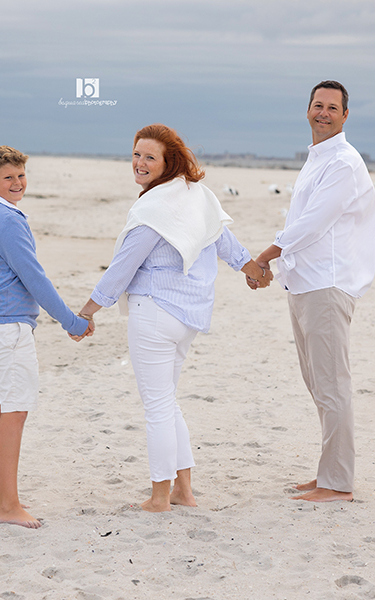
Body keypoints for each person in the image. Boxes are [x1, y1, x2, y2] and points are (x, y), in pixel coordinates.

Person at [77, 124, 272, 512]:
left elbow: (122, 268)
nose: (140, 163)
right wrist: (251, 269)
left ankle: (159, 497)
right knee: (167, 402)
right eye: (136, 154)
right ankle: (183, 490)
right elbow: (223, 239)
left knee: (157, 407)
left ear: (168, 162)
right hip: (187, 317)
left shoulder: (154, 209)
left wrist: (87, 311)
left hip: (155, 313)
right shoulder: (196, 194)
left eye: (150, 157)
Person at [0, 146, 92, 528]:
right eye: (8, 178)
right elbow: (34, 278)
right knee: (14, 411)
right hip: (8, 327)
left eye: (21, 176)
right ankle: (8, 506)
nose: (17, 183)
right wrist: (71, 322)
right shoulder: (9, 221)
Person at [251, 81, 375, 502]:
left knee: (332, 384)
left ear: (345, 116)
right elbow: (303, 222)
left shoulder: (344, 162)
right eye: (318, 105)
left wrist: (264, 257)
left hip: (328, 284)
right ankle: (329, 473)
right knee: (319, 384)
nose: (323, 112)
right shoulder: (318, 158)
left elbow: (311, 224)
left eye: (332, 107)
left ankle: (337, 483)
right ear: (307, 110)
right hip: (305, 283)